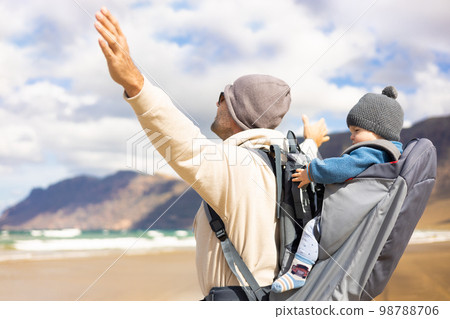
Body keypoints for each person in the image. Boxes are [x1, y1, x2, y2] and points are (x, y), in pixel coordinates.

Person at [94, 7, 330, 300]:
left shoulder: (238, 166)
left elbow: (183, 142)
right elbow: (305, 154)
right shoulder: (289, 162)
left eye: (222, 97)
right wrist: (313, 141)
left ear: (235, 111)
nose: (216, 103)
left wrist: (135, 85)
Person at [271, 85, 404, 293]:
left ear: (379, 131)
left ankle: (299, 272)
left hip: (345, 214)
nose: (352, 136)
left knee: (312, 230)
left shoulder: (371, 152)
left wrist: (311, 172)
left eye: (357, 131)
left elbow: (341, 168)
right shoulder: (389, 154)